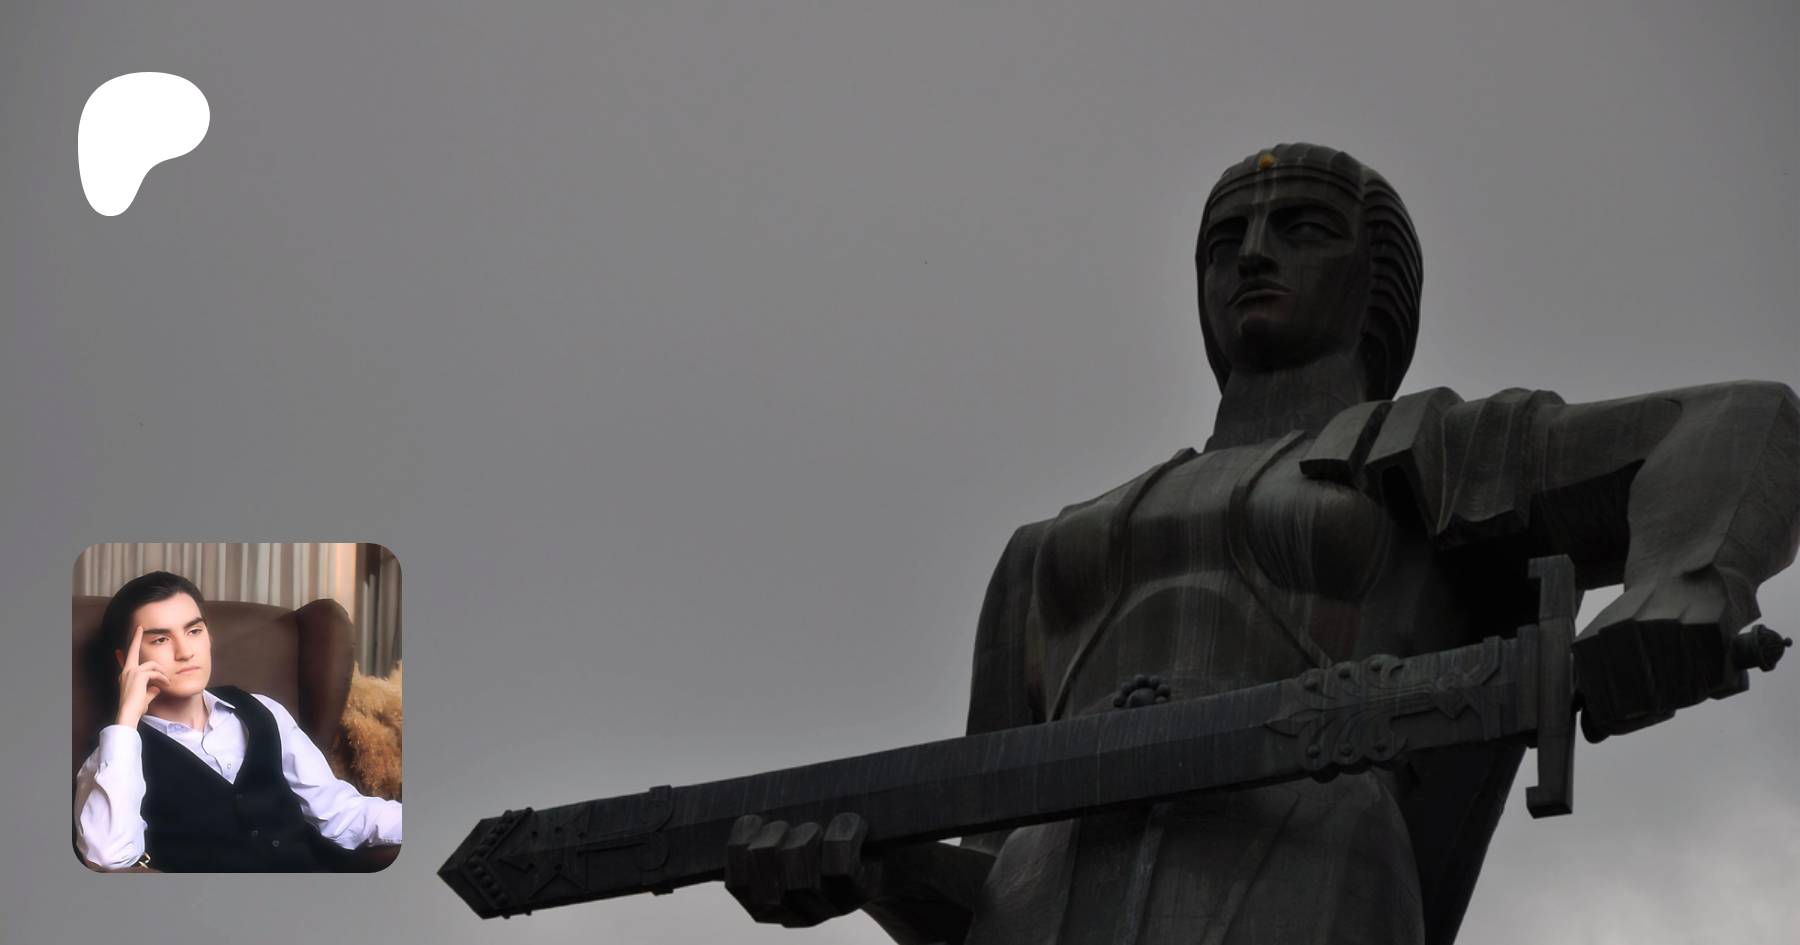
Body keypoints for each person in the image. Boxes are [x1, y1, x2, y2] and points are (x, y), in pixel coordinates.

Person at [721, 143, 1800, 944]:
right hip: (1047, 900)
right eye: (1223, 239)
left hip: (1309, 859)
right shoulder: (1043, 554)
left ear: (1376, 282)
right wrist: (878, 870)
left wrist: (1683, 583)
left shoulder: (1429, 446)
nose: (1251, 254)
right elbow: (989, 876)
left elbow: (1738, 423)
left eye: (1301, 227)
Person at [73, 571, 402, 872]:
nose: (185, 652)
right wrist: (127, 720)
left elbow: (340, 812)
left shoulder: (263, 710)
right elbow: (108, 858)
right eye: (161, 639)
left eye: (194, 630)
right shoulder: (112, 756)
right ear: (126, 661)